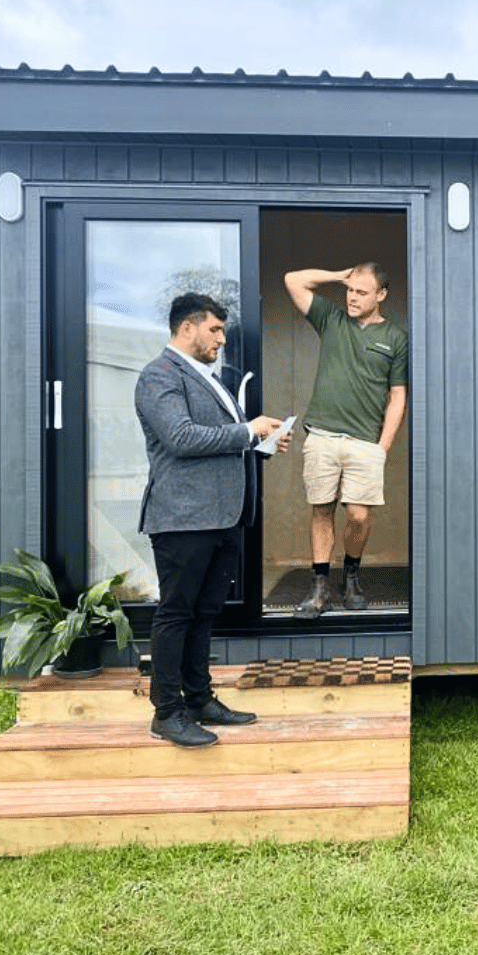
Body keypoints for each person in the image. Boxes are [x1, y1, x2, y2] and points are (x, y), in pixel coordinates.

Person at [135, 292, 290, 748]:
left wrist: (260, 444)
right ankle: (167, 712)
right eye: (214, 330)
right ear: (187, 328)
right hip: (183, 519)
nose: (222, 338)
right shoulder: (159, 375)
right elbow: (180, 437)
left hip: (223, 518)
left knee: (204, 613)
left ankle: (200, 699)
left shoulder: (209, 378)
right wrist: (248, 429)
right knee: (176, 613)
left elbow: (217, 441)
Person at [283, 264, 408, 617]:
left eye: (362, 292)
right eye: (350, 291)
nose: (352, 298)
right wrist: (340, 275)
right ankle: (319, 589)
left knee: (358, 515)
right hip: (321, 436)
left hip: (365, 443)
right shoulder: (331, 319)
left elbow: (397, 396)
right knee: (321, 510)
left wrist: (382, 446)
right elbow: (293, 279)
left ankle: (351, 576)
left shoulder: (396, 338)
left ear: (381, 295)